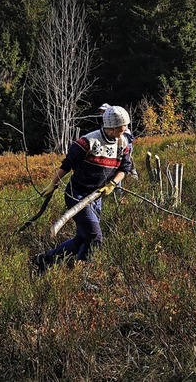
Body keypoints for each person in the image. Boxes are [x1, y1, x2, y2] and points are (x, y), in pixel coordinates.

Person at [32, 105, 133, 272]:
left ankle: (45, 260)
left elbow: (125, 168)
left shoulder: (123, 143)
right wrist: (53, 183)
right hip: (77, 194)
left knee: (82, 238)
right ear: (110, 127)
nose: (124, 133)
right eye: (120, 130)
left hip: (96, 196)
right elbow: (67, 165)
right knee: (94, 237)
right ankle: (83, 276)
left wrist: (113, 183)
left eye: (125, 129)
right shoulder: (87, 142)